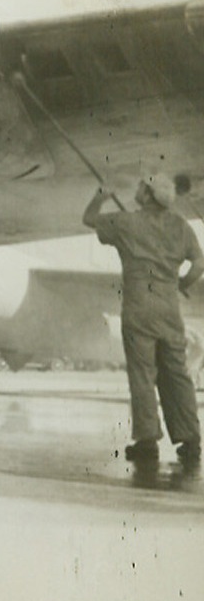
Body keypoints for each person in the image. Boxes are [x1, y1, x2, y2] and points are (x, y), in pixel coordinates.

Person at [82, 173, 204, 465]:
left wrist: (100, 196)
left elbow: (89, 219)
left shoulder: (127, 223)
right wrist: (182, 284)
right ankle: (190, 439)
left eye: (142, 186)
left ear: (148, 195)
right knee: (177, 373)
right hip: (169, 307)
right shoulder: (181, 225)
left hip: (139, 307)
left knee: (142, 375)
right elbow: (199, 263)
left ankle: (147, 440)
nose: (137, 188)